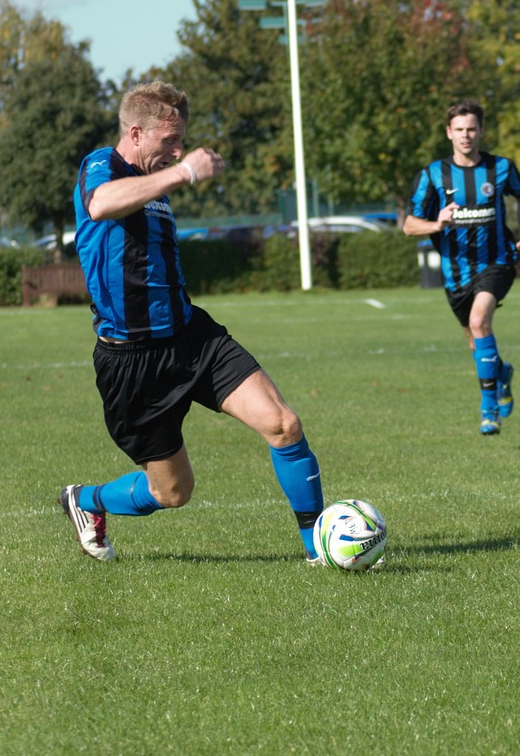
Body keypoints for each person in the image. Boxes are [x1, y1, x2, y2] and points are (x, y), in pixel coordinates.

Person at [59, 81, 324, 563]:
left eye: (182, 141)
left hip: (192, 338)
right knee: (174, 492)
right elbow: (100, 204)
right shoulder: (102, 165)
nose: (178, 150)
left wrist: (174, 169)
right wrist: (183, 172)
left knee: (283, 424)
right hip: (131, 361)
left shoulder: (155, 178)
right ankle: (87, 501)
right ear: (135, 133)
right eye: (169, 141)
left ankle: (319, 551)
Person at [404, 100, 520, 436]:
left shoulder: (501, 168)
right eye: (459, 130)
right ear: (449, 133)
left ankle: (488, 410)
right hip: (455, 273)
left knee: (479, 321)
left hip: (497, 261)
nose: (466, 136)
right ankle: (502, 373)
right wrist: (437, 223)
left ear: (481, 131)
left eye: (472, 129)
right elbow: (408, 225)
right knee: (476, 340)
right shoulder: (433, 175)